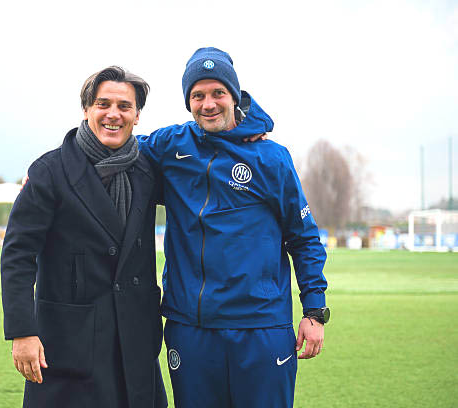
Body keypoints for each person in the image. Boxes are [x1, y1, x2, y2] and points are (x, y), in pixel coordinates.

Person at [137, 47, 329, 408]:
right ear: (188, 102)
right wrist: (51, 173)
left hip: (260, 327)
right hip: (190, 328)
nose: (208, 104)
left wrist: (314, 312)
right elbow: (114, 148)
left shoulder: (271, 158)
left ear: (234, 96)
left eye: (218, 93)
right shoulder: (170, 145)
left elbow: (303, 239)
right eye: (198, 95)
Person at [1, 66, 167, 408]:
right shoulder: (49, 172)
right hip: (69, 344)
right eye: (103, 104)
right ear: (87, 109)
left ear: (137, 116)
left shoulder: (147, 170)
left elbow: (201, 147)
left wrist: (246, 130)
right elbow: (18, 255)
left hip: (135, 340)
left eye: (124, 106)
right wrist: (22, 331)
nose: (113, 114)